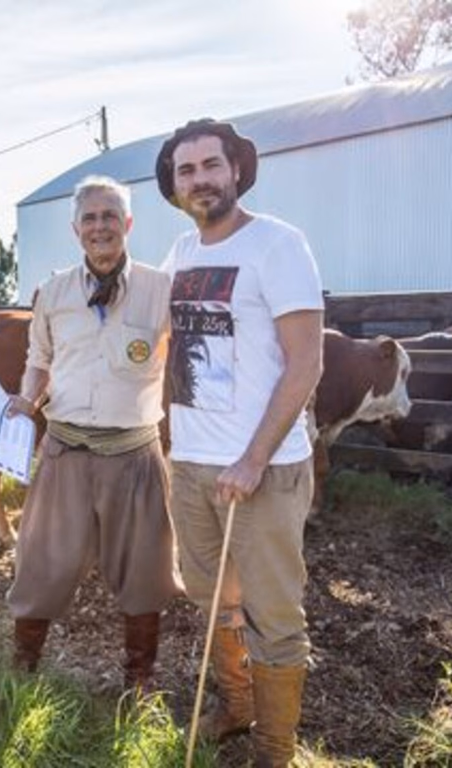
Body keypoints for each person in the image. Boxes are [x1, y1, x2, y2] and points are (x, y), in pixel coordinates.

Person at [155, 118, 324, 766]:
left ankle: (274, 748)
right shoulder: (180, 255)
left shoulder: (278, 246)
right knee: (211, 596)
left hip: (264, 469)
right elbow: (158, 343)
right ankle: (237, 704)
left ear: (235, 170)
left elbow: (305, 362)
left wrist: (253, 458)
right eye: (185, 170)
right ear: (174, 186)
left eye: (209, 165)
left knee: (274, 613)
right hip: (192, 465)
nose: (199, 179)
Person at [6, 174, 181, 691]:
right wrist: (26, 399)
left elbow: (186, 361)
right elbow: (39, 360)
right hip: (65, 452)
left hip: (135, 456)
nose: (100, 226)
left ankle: (139, 685)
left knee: (146, 574)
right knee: (39, 565)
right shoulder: (53, 292)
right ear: (75, 228)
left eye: (110, 216)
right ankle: (22, 670)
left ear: (127, 224)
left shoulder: (160, 290)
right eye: (90, 218)